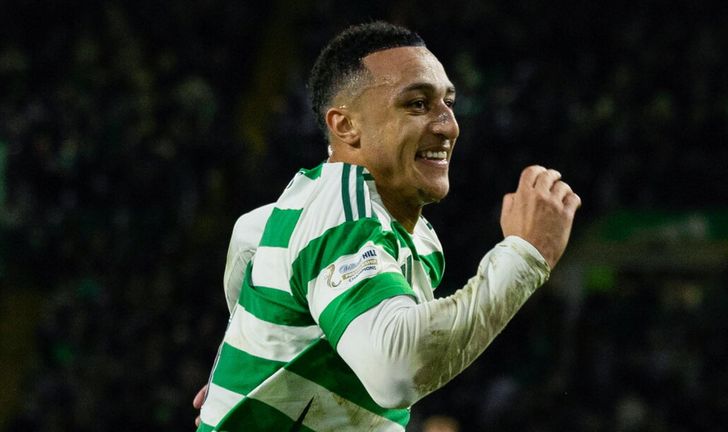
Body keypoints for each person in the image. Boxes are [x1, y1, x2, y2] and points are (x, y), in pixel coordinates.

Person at [193, 21, 580, 431]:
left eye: (448, 102)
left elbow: (250, 234)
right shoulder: (346, 209)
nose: (448, 125)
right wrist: (525, 256)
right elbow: (395, 370)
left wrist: (241, 372)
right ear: (345, 126)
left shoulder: (361, 220)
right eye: (416, 104)